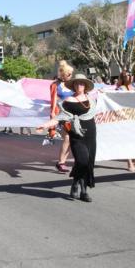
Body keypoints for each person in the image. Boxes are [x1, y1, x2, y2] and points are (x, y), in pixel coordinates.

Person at [37, 73, 97, 202]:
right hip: (76, 134)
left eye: (81, 83)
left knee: (88, 162)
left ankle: (83, 190)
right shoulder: (69, 100)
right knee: (82, 160)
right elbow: (60, 117)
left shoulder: (91, 100)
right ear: (74, 86)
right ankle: (76, 183)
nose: (79, 85)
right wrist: (45, 125)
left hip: (91, 134)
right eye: (77, 83)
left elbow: (95, 115)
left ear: (85, 86)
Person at [49, 60, 75, 173]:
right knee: (67, 138)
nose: (71, 76)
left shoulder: (73, 84)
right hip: (62, 114)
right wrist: (53, 115)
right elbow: (53, 100)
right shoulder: (55, 85)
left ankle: (62, 162)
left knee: (71, 139)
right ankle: (61, 162)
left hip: (73, 114)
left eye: (71, 74)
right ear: (63, 74)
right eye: (69, 74)